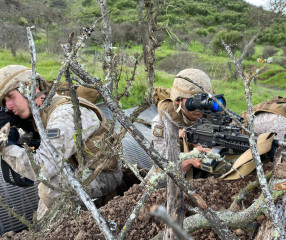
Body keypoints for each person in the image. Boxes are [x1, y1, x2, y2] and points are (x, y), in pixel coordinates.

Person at [0, 65, 123, 219]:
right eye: (5, 102)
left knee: (50, 190)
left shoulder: (63, 114)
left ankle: (100, 204)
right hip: (75, 167)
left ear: (30, 87)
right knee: (42, 219)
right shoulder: (42, 111)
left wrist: (6, 146)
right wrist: (17, 133)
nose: (9, 106)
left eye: (11, 96)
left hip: (102, 174)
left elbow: (42, 169)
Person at [150, 68, 212, 177]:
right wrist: (190, 159)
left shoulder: (213, 115)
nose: (199, 107)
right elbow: (164, 167)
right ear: (178, 100)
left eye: (203, 100)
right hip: (176, 172)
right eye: (193, 101)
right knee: (153, 181)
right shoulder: (162, 122)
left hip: (208, 171)